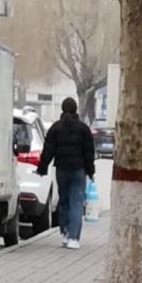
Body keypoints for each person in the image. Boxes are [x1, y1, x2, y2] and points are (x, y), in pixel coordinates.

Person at [37, 97, 95, 250]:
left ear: (62, 109)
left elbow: (48, 150)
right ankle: (73, 238)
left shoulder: (55, 128)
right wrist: (91, 172)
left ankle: (65, 232)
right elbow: (89, 153)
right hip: (78, 170)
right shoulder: (83, 129)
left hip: (62, 170)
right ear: (76, 110)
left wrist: (42, 168)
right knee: (77, 202)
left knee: (64, 201)